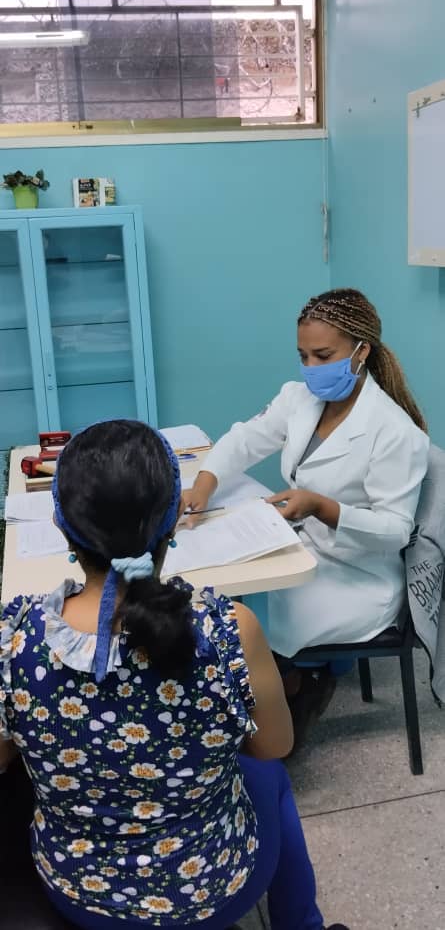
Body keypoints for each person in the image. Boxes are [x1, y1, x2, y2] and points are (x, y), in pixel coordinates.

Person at [0, 420, 348, 930]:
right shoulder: (230, 629)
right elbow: (273, 745)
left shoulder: (15, 640)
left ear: (61, 525)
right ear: (171, 521)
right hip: (216, 890)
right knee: (268, 774)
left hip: (81, 895)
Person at [184, 288, 429, 720]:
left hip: (357, 578)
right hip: (305, 549)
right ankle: (283, 683)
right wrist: (205, 483)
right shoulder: (300, 399)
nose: (311, 368)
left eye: (323, 355)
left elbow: (394, 531)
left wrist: (321, 506)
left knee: (249, 623)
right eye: (303, 356)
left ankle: (289, 691)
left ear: (361, 351)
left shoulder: (393, 431)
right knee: (231, 596)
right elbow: (245, 439)